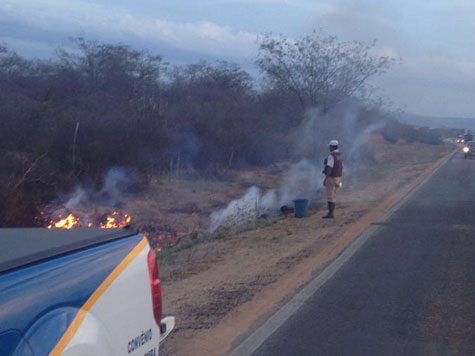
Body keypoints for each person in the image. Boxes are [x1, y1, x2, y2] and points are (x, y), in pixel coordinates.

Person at [322, 139, 343, 219]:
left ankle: (330, 214)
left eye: (330, 146)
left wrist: (325, 179)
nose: (329, 148)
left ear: (332, 147)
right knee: (334, 195)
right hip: (339, 178)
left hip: (332, 178)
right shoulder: (340, 155)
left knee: (330, 196)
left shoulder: (331, 156)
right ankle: (331, 213)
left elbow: (329, 168)